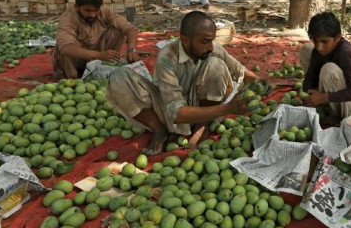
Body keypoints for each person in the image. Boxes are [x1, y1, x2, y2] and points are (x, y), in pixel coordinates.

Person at [106, 11, 259, 155]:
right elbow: (176, 112)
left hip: (201, 105)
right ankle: (158, 130)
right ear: (185, 40)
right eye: (205, 41)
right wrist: (227, 109)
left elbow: (240, 71)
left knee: (216, 65)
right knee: (118, 77)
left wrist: (260, 83)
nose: (211, 46)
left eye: (212, 40)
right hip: (169, 108)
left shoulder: (212, 48)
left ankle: (203, 123)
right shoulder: (167, 57)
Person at [300, 11, 351, 122]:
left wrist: (323, 97)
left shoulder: (346, 53)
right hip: (335, 91)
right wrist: (308, 93)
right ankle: (327, 104)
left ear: (338, 38)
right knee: (307, 49)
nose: (319, 47)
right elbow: (311, 76)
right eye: (315, 41)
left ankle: (337, 114)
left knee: (328, 69)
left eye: (324, 42)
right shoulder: (318, 50)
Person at [52, 0, 139, 79]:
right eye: (88, 11)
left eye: (96, 10)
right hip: (77, 59)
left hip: (96, 54)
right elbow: (66, 48)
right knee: (65, 49)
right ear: (77, 7)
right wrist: (100, 55)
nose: (93, 15)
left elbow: (130, 28)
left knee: (118, 30)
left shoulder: (104, 11)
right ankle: (74, 77)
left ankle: (107, 66)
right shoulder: (68, 18)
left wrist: (131, 49)